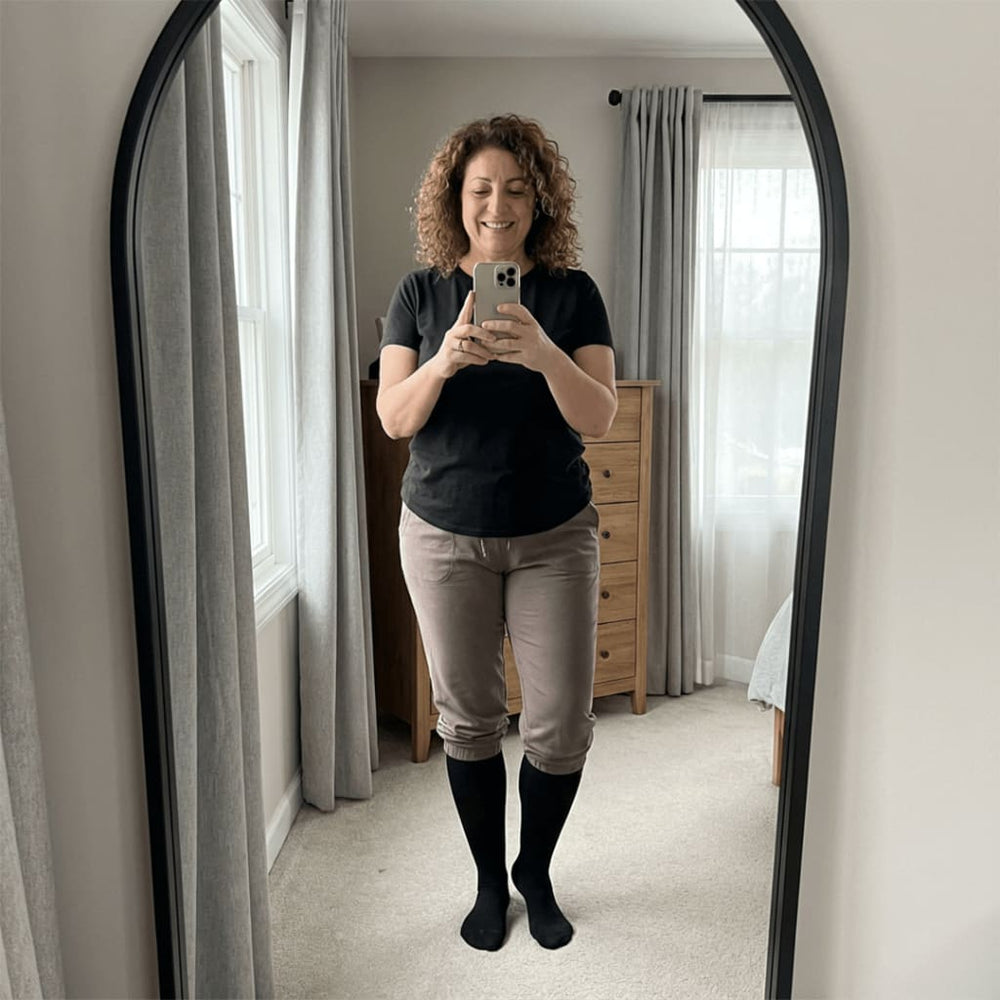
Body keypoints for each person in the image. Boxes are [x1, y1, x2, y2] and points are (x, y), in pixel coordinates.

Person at [375, 114, 617, 952]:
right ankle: (488, 881)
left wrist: (544, 353)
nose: (498, 204)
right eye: (480, 188)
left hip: (554, 533)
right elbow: (394, 418)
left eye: (516, 188)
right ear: (455, 198)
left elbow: (600, 416)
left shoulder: (574, 294)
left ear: (539, 200)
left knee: (561, 726)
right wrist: (444, 360)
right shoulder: (418, 294)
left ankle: (534, 872)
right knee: (470, 720)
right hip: (443, 535)